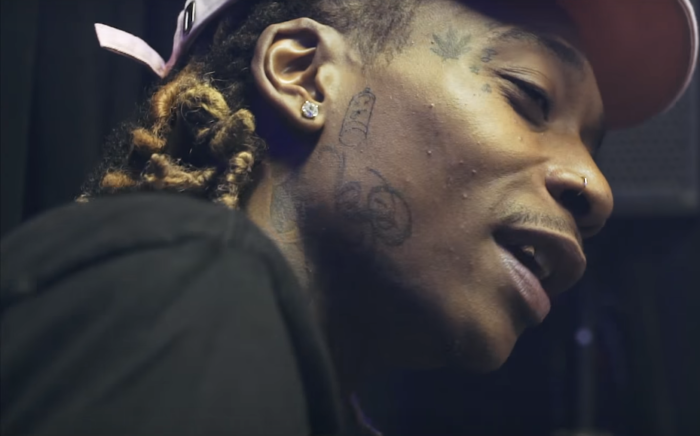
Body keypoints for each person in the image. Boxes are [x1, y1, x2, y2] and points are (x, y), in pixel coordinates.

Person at [1, 0, 697, 435]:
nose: (597, 189)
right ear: (303, 73)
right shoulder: (187, 289)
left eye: (594, 146)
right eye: (530, 96)